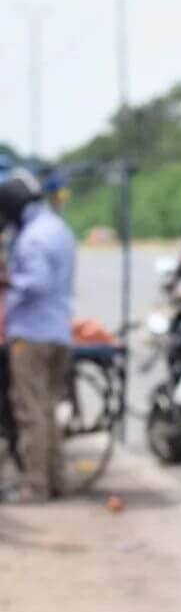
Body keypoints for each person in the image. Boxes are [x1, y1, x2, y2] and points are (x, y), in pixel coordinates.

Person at [0, 169, 77, 503]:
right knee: (46, 411)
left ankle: (35, 486)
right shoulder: (57, 228)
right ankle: (56, 481)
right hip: (58, 331)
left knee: (30, 413)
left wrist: (7, 282)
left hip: (32, 335)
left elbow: (37, 282)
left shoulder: (32, 237)